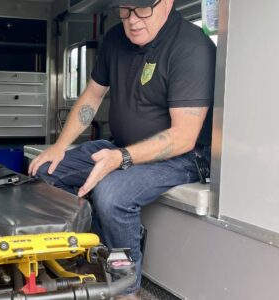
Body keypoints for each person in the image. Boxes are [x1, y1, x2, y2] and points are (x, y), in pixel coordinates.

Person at [28, 0, 216, 298]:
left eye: (142, 9)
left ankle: (125, 289)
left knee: (112, 195)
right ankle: (84, 259)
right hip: (122, 146)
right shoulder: (116, 38)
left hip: (183, 157)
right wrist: (59, 147)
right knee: (44, 172)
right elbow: (92, 95)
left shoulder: (192, 47)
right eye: (125, 10)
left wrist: (122, 158)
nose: (132, 20)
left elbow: (184, 136)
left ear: (166, 2)